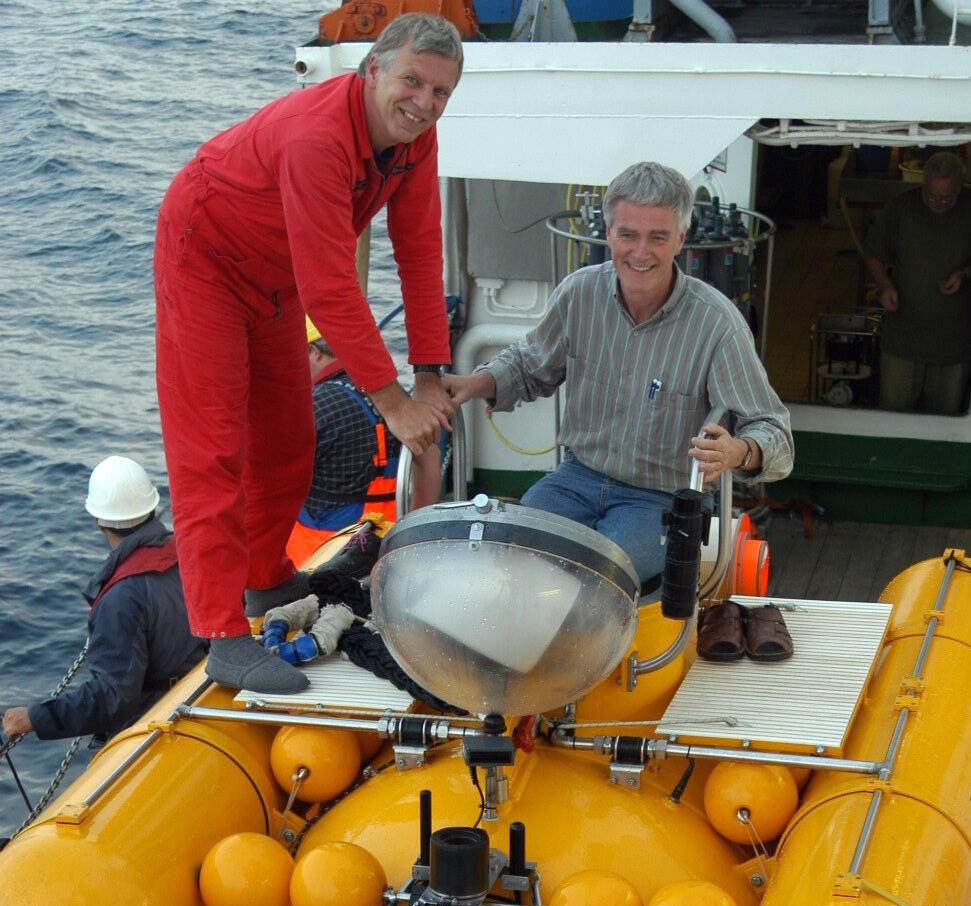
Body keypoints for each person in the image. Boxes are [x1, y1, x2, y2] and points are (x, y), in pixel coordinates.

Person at [154, 13, 463, 695]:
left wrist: (429, 375)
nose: (424, 102)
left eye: (441, 92)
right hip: (205, 261)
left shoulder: (417, 139)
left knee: (289, 441)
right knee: (213, 452)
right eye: (412, 81)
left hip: (273, 278)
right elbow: (330, 285)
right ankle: (221, 636)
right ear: (373, 69)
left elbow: (418, 252)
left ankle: (263, 576)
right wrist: (394, 403)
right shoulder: (318, 136)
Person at [444, 161, 793, 590]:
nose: (640, 252)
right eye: (628, 234)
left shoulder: (717, 323)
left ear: (680, 239)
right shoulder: (579, 292)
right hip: (574, 480)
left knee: (597, 579)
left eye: (657, 237)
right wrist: (472, 384)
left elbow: (775, 431)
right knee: (503, 554)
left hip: (657, 500)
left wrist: (738, 450)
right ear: (609, 233)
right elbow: (530, 363)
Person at [1, 457, 205, 746]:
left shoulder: (122, 597)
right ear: (152, 509)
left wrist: (35, 717)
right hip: (197, 698)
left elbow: (113, 698)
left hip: (156, 725)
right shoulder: (187, 555)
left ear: (98, 521)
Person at [289, 326, 442, 564]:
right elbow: (430, 455)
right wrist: (412, 532)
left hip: (314, 563)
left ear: (313, 351)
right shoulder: (393, 397)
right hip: (385, 550)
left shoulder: (314, 405)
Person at [864, 151, 971, 415]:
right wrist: (885, 285)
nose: (939, 202)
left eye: (947, 198)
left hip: (952, 343)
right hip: (902, 340)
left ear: (960, 188)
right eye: (932, 195)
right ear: (924, 183)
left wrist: (965, 274)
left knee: (944, 424)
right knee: (894, 417)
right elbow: (874, 256)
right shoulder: (901, 208)